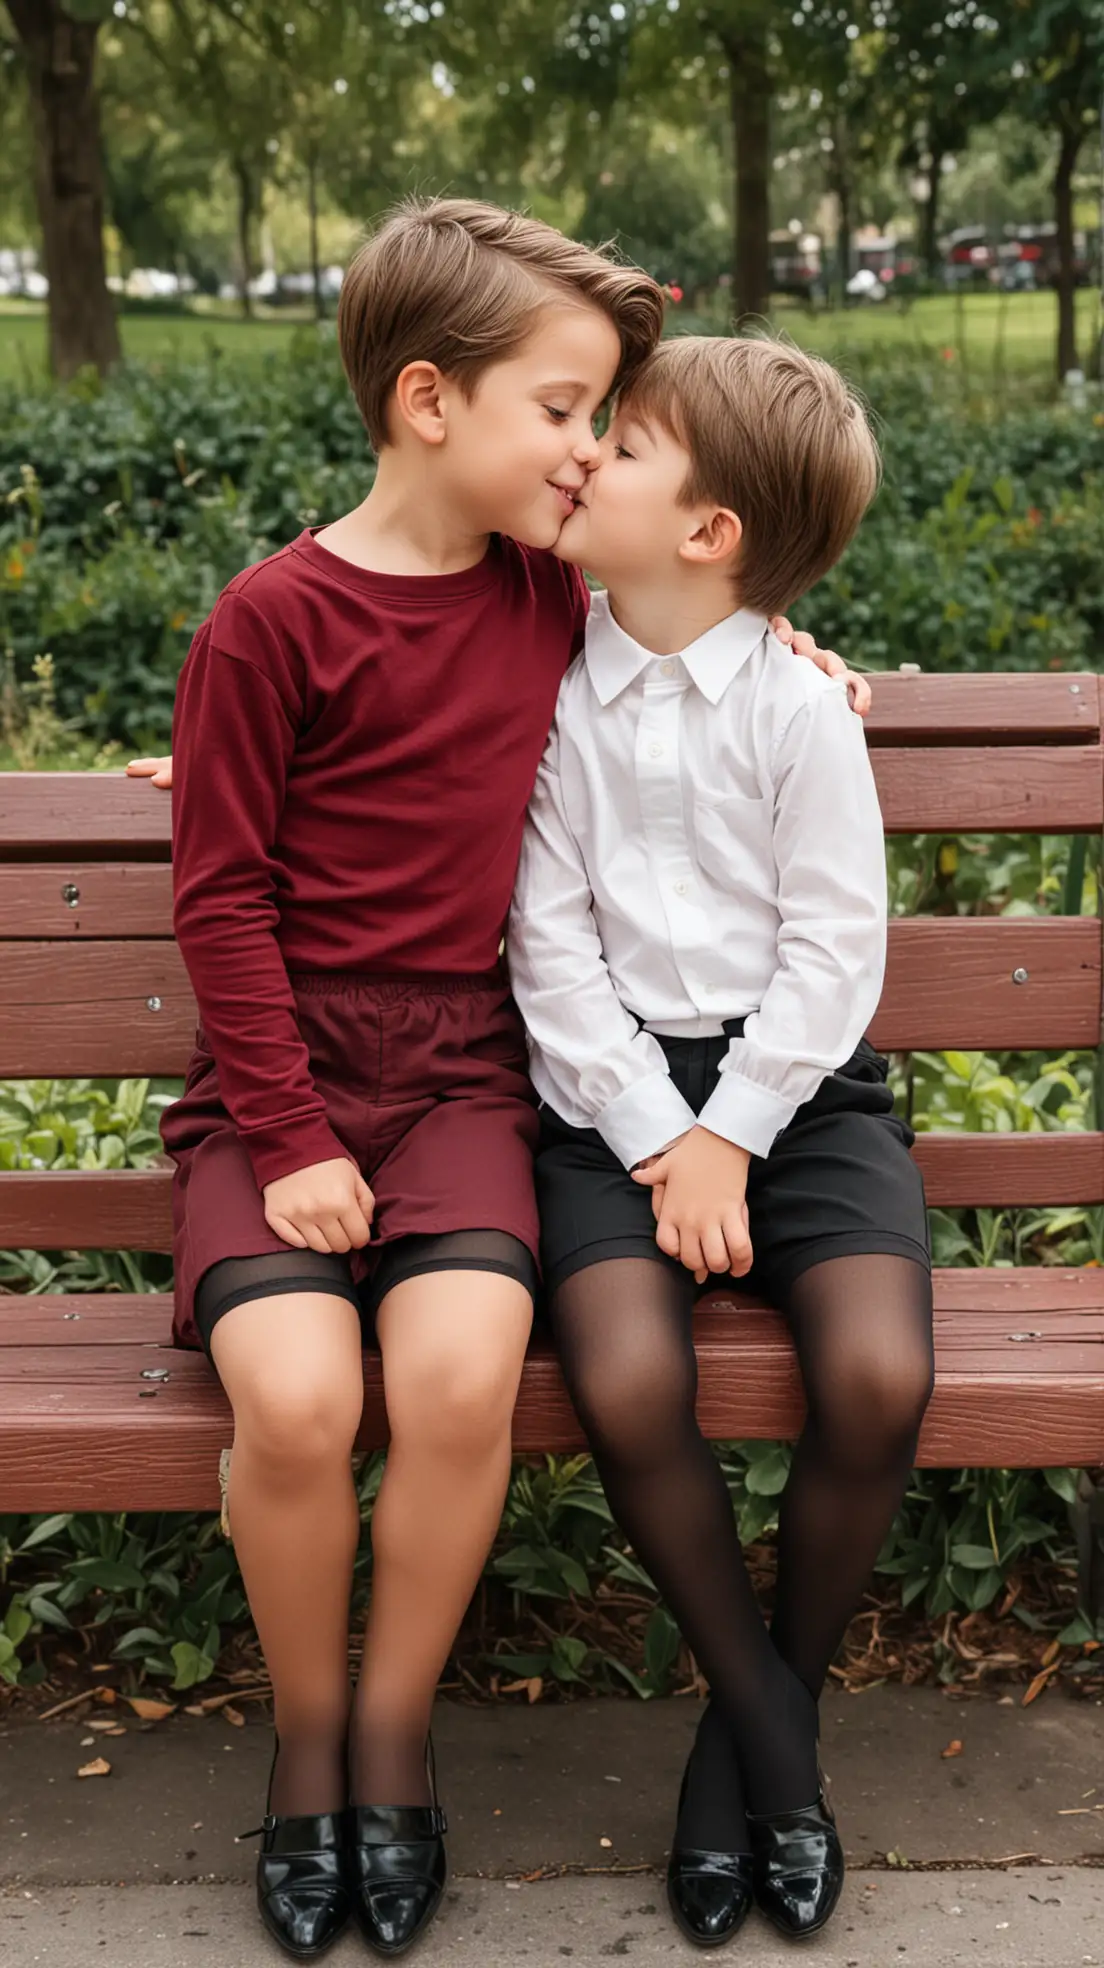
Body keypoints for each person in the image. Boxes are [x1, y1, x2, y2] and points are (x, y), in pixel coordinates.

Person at [128, 202, 852, 1962]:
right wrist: (289, 1135)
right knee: (297, 1405)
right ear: (431, 404)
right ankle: (310, 1760)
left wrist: (807, 654)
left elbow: (702, 655)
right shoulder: (267, 623)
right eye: (567, 408)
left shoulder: (553, 603)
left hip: (461, 1077)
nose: (592, 448)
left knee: (455, 1383)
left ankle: (397, 1748)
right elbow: (220, 894)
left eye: (607, 416)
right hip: (279, 1090)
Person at [507, 334, 934, 1948]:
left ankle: (735, 1746)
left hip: (804, 1095)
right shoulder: (547, 693)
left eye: (621, 443)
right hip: (603, 1092)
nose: (585, 458)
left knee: (880, 1374)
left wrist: (732, 1136)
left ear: (710, 533)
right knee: (624, 1374)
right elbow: (545, 950)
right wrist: (652, 1130)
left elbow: (836, 958)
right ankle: (782, 1752)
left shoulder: (799, 709)